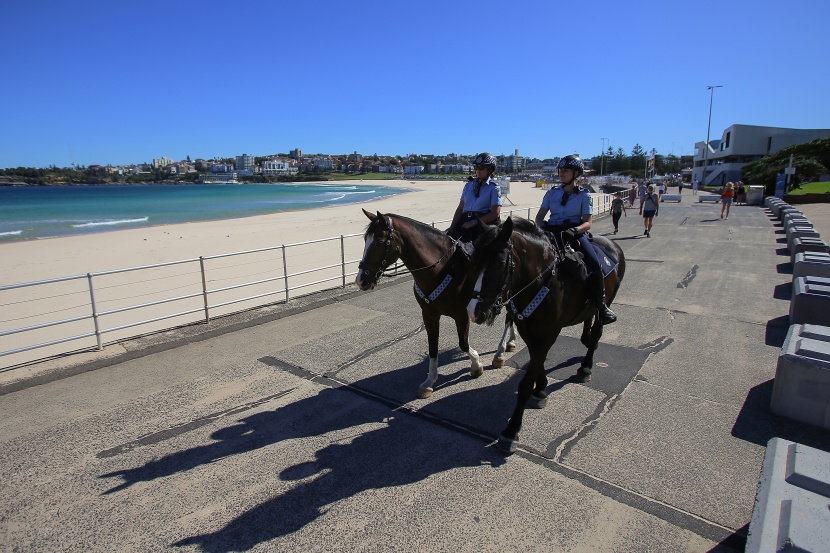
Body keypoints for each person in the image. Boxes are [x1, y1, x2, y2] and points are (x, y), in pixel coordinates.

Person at [535, 155, 616, 324]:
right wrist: (542, 228)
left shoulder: (584, 196)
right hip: (552, 232)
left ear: (576, 173)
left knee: (594, 263)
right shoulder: (552, 194)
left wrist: (575, 230)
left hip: (574, 233)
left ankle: (602, 306)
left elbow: (588, 222)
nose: (561, 173)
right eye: (560, 170)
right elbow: (540, 217)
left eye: (566, 170)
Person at [448, 152, 502, 241]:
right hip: (464, 221)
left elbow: (495, 213)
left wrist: (473, 223)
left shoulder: (494, 188)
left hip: (483, 224)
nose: (478, 170)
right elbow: (460, 207)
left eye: (481, 168)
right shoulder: (468, 185)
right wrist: (452, 227)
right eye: (476, 167)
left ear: (490, 169)